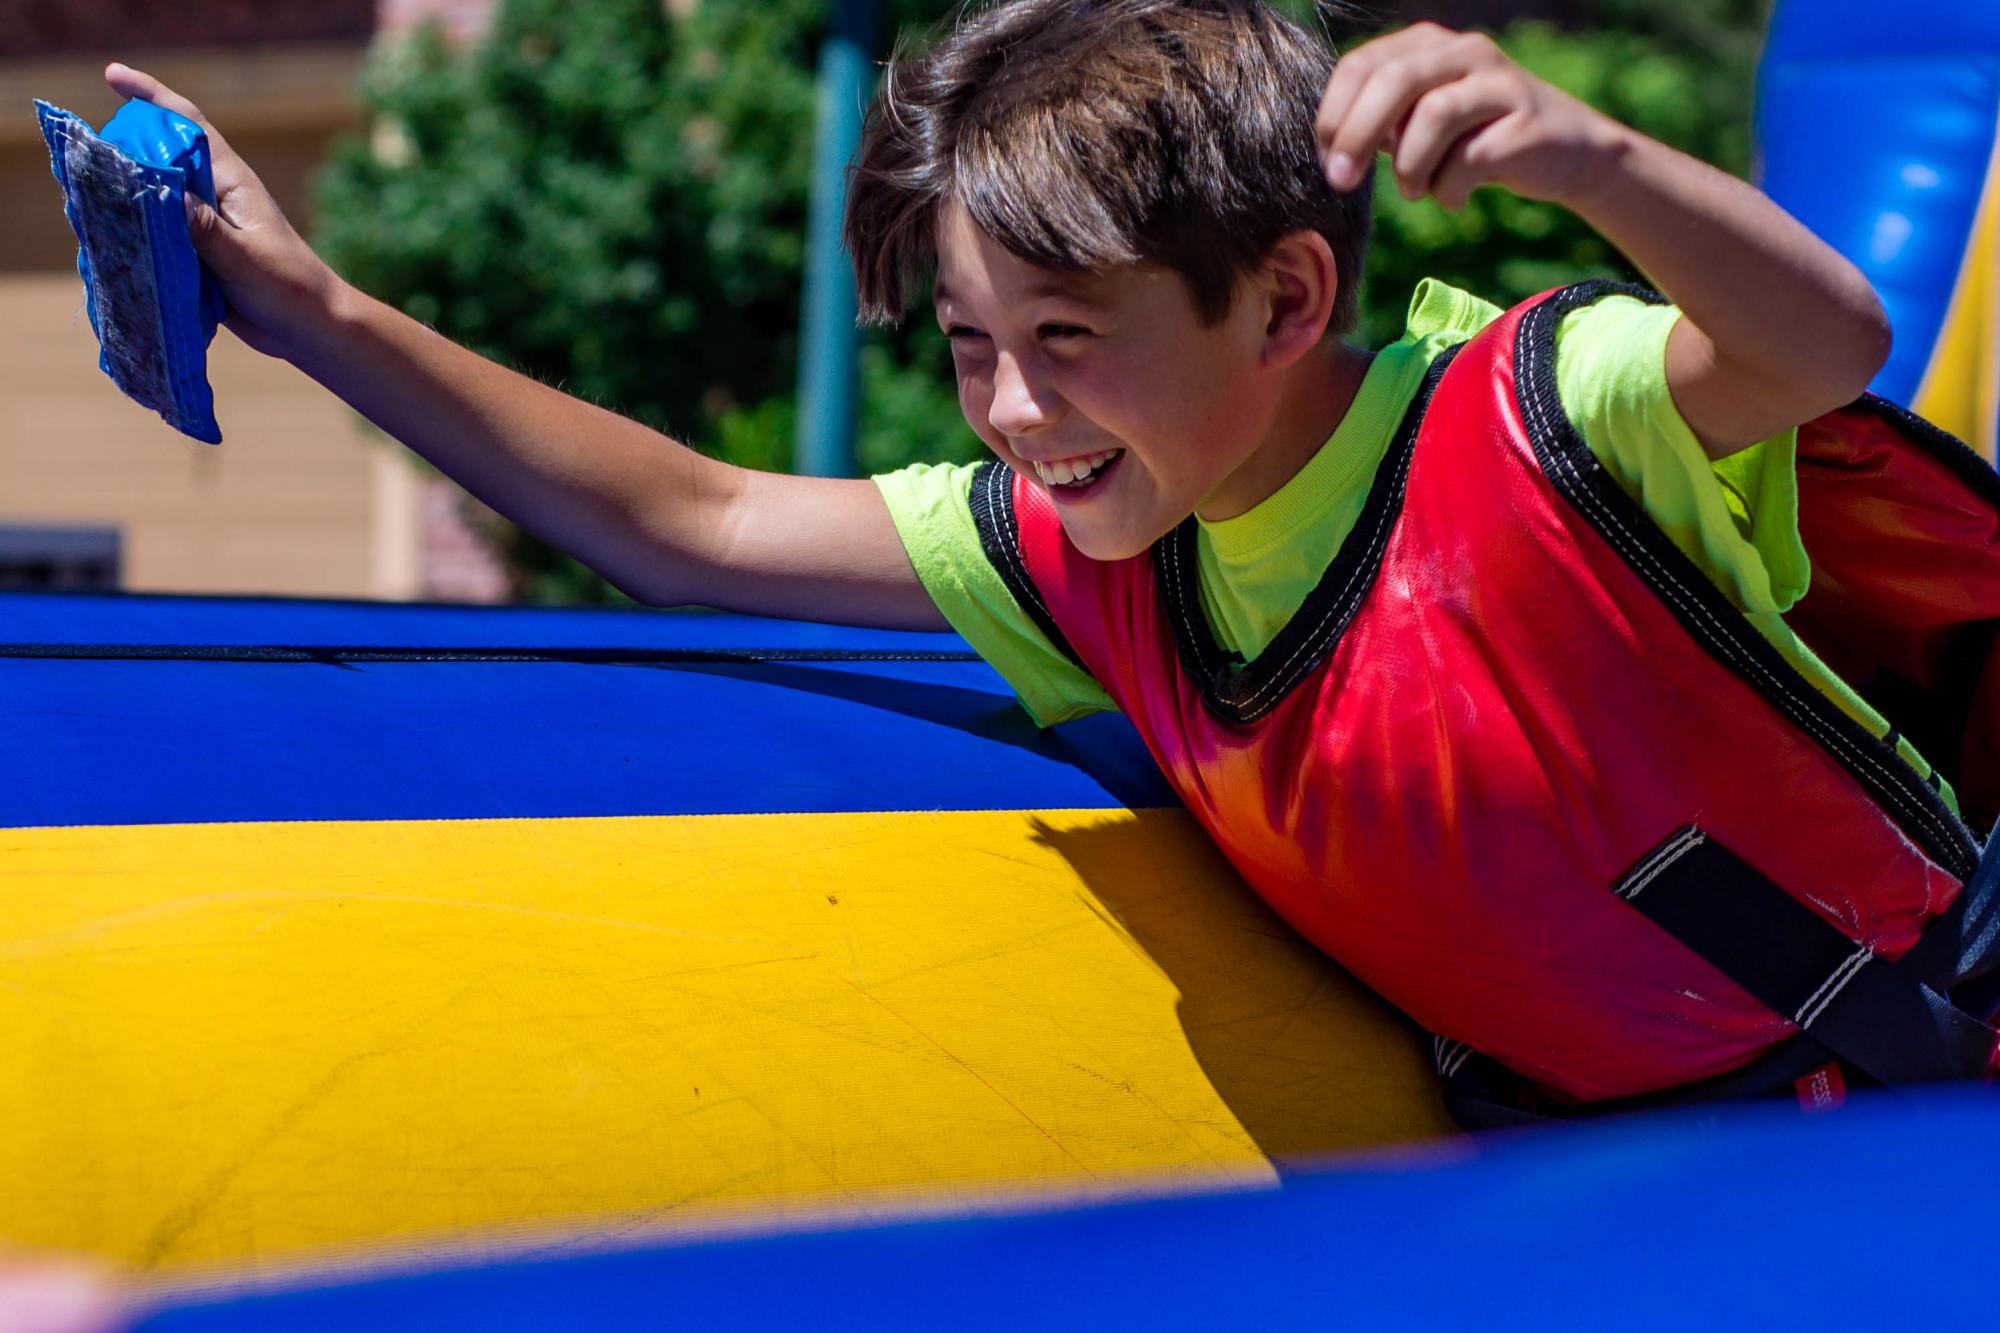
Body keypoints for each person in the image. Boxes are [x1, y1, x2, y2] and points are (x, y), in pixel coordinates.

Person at [101, 0, 1998, 1120]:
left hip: (1896, 1120)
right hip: (1581, 1173)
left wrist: (1592, 161)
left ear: (1286, 298)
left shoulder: (1540, 413)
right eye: (966, 346)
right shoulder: (1092, 549)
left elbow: (1819, 347)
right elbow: (697, 519)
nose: (1008, 408)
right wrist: (317, 310)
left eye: (1068, 340)